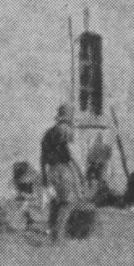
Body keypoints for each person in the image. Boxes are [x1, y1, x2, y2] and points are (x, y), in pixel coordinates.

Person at [40, 104, 82, 242]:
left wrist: (45, 177)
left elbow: (42, 157)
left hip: (51, 170)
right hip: (63, 170)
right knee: (67, 202)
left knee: (55, 202)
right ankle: (57, 236)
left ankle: (51, 233)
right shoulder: (65, 130)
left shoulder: (47, 133)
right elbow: (70, 155)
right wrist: (79, 173)